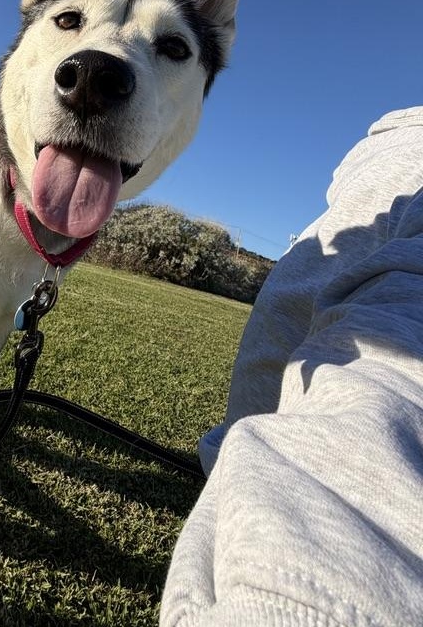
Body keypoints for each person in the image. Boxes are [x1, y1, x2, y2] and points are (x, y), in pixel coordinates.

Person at [160, 107, 423, 626]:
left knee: (304, 301)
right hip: (394, 146)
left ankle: (250, 510)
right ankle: (238, 488)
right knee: (293, 301)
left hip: (390, 150)